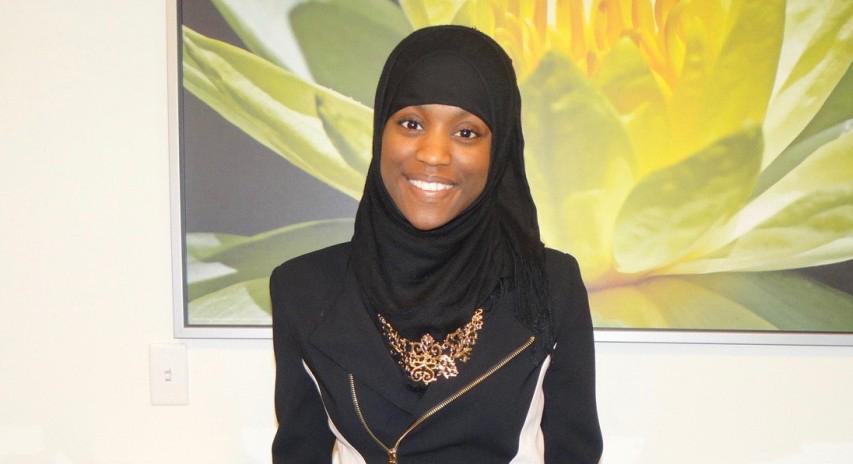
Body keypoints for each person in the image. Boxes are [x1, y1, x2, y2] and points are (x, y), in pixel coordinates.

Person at [270, 25, 602, 464]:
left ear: (498, 150)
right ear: (380, 133)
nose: (433, 154)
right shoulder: (303, 288)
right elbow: (299, 451)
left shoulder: (548, 286)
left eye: (467, 133)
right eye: (411, 123)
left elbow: (574, 452)